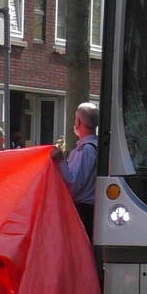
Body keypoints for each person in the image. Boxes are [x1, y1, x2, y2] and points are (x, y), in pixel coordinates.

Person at [51, 102, 99, 239]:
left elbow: (74, 185)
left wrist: (60, 161)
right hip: (87, 210)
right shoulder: (93, 147)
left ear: (78, 122)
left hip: (82, 211)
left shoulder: (86, 150)